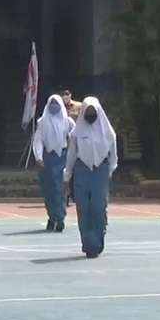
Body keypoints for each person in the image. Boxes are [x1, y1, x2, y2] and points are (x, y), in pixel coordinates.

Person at [63, 97, 118, 259]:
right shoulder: (76, 133)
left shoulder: (108, 132)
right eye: (88, 112)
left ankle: (98, 239)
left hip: (100, 171)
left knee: (98, 207)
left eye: (93, 112)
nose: (91, 114)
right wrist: (67, 177)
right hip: (82, 171)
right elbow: (71, 155)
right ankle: (89, 244)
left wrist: (109, 171)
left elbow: (113, 156)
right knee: (83, 208)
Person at [33, 94, 76, 232]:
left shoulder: (67, 121)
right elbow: (38, 140)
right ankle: (52, 216)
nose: (54, 107)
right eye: (52, 104)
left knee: (60, 189)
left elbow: (76, 137)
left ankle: (60, 218)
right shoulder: (42, 122)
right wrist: (39, 157)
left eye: (56, 104)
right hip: (47, 159)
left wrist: (75, 154)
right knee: (49, 190)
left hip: (62, 157)